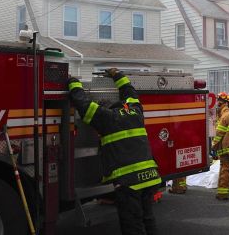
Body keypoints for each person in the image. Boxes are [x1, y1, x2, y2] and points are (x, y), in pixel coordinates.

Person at [67, 69, 160, 235]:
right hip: (149, 177)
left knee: (132, 224)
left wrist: (73, 82)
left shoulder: (107, 118)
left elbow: (83, 104)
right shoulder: (136, 111)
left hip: (128, 182)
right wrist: (118, 75)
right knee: (148, 218)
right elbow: (130, 92)